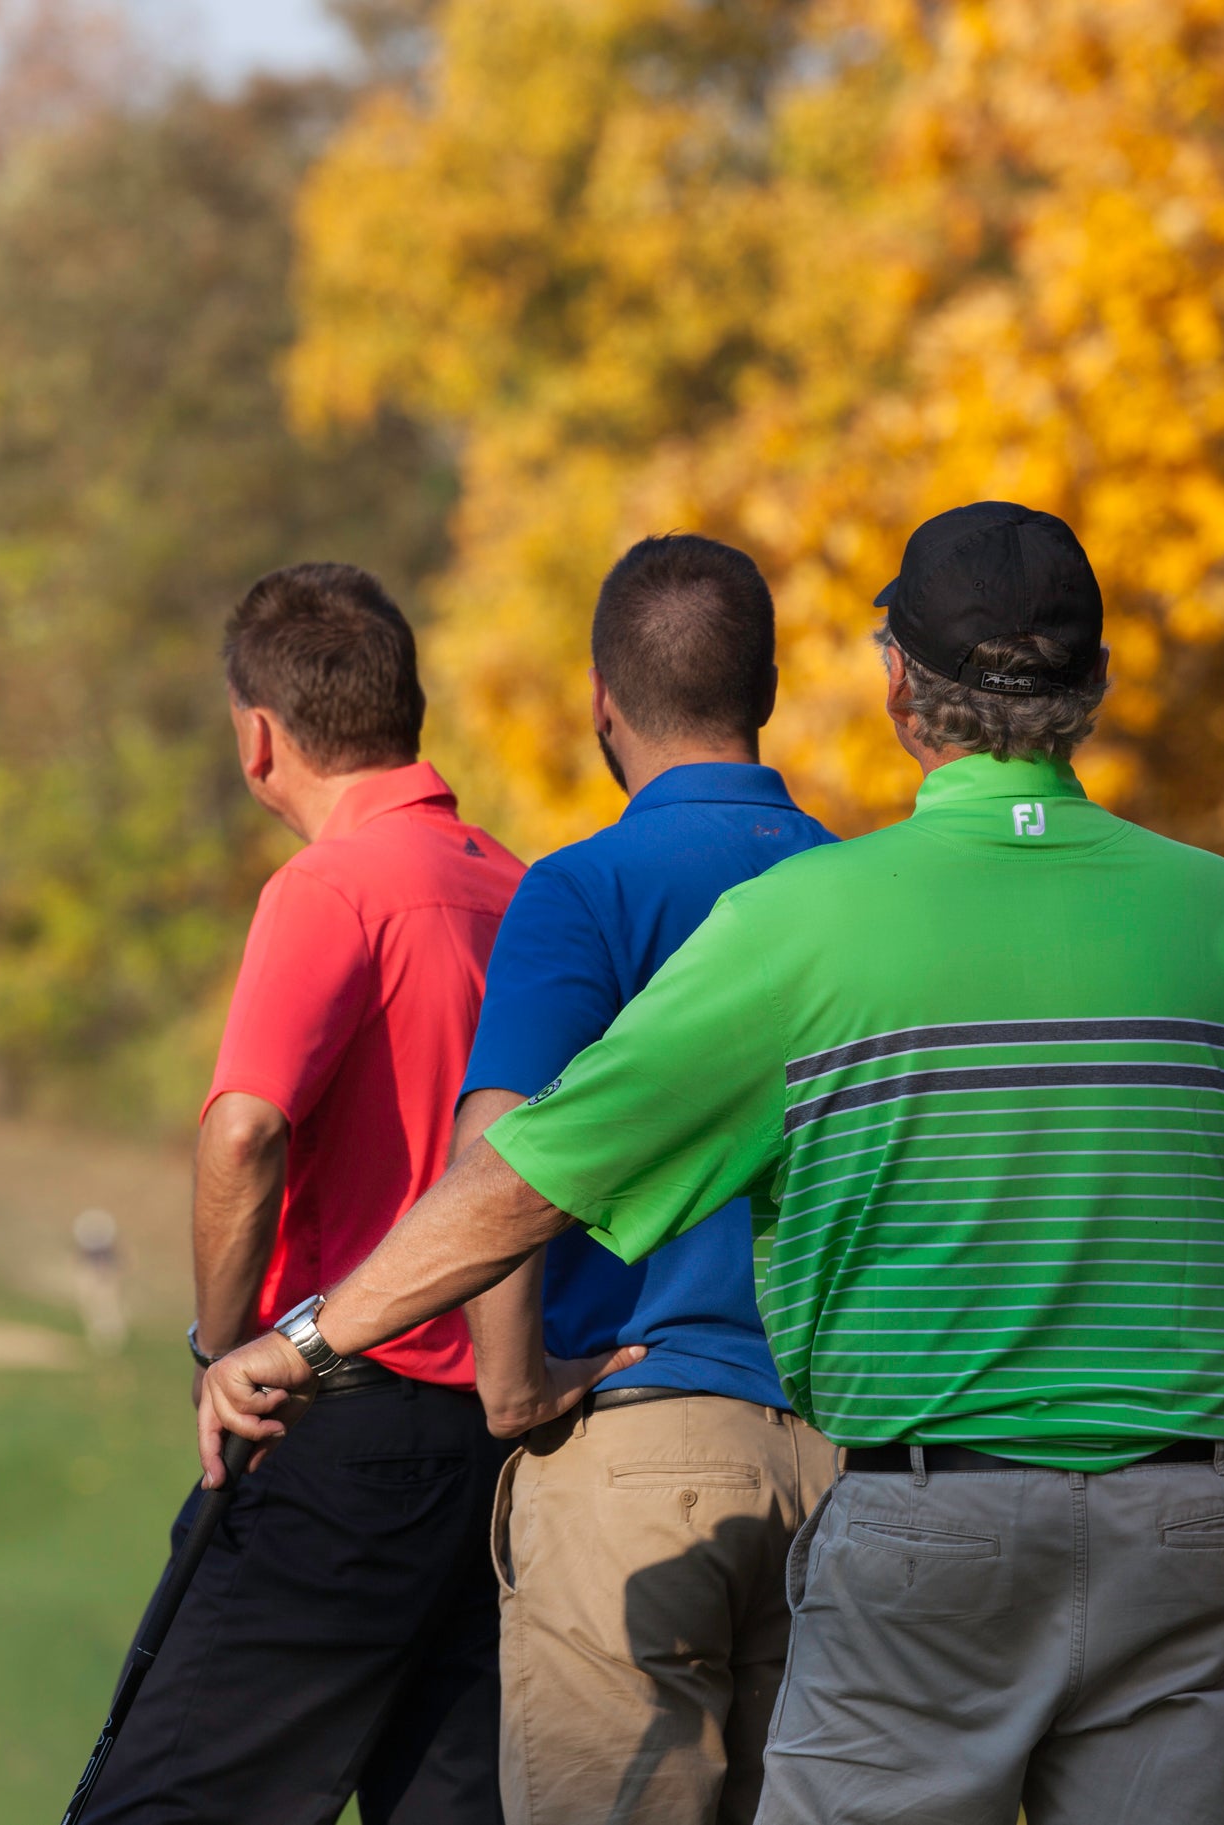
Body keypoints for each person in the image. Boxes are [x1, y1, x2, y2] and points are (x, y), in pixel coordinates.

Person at [199, 503, 1224, 1825]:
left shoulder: (808, 924)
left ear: (897, 685)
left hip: (933, 1518)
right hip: (1199, 1525)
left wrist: (303, 1339)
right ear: (1098, 683)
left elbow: (524, 1176)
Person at [81, 561, 526, 1824]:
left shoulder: (332, 885)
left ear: (257, 737)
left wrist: (222, 1352)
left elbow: (244, 1131)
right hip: (497, 1454)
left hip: (347, 1427)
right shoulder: (518, 883)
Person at [454, 535, 837, 1825]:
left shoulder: (582, 890)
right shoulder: (866, 896)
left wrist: (512, 1383)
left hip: (643, 1449)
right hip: (849, 1469)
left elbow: (500, 1146)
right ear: (765, 689)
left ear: (598, 701)